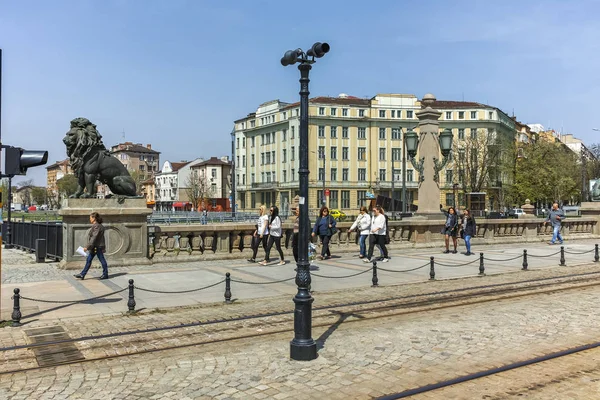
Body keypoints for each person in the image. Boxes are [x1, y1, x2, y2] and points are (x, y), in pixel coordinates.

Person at [74, 212, 109, 280]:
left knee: (101, 260)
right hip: (96, 246)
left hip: (97, 247)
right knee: (89, 260)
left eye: (90, 218)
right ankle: (82, 274)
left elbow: (94, 238)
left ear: (94, 218)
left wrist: (87, 247)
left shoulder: (96, 226)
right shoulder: (99, 225)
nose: (89, 219)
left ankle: (105, 274)